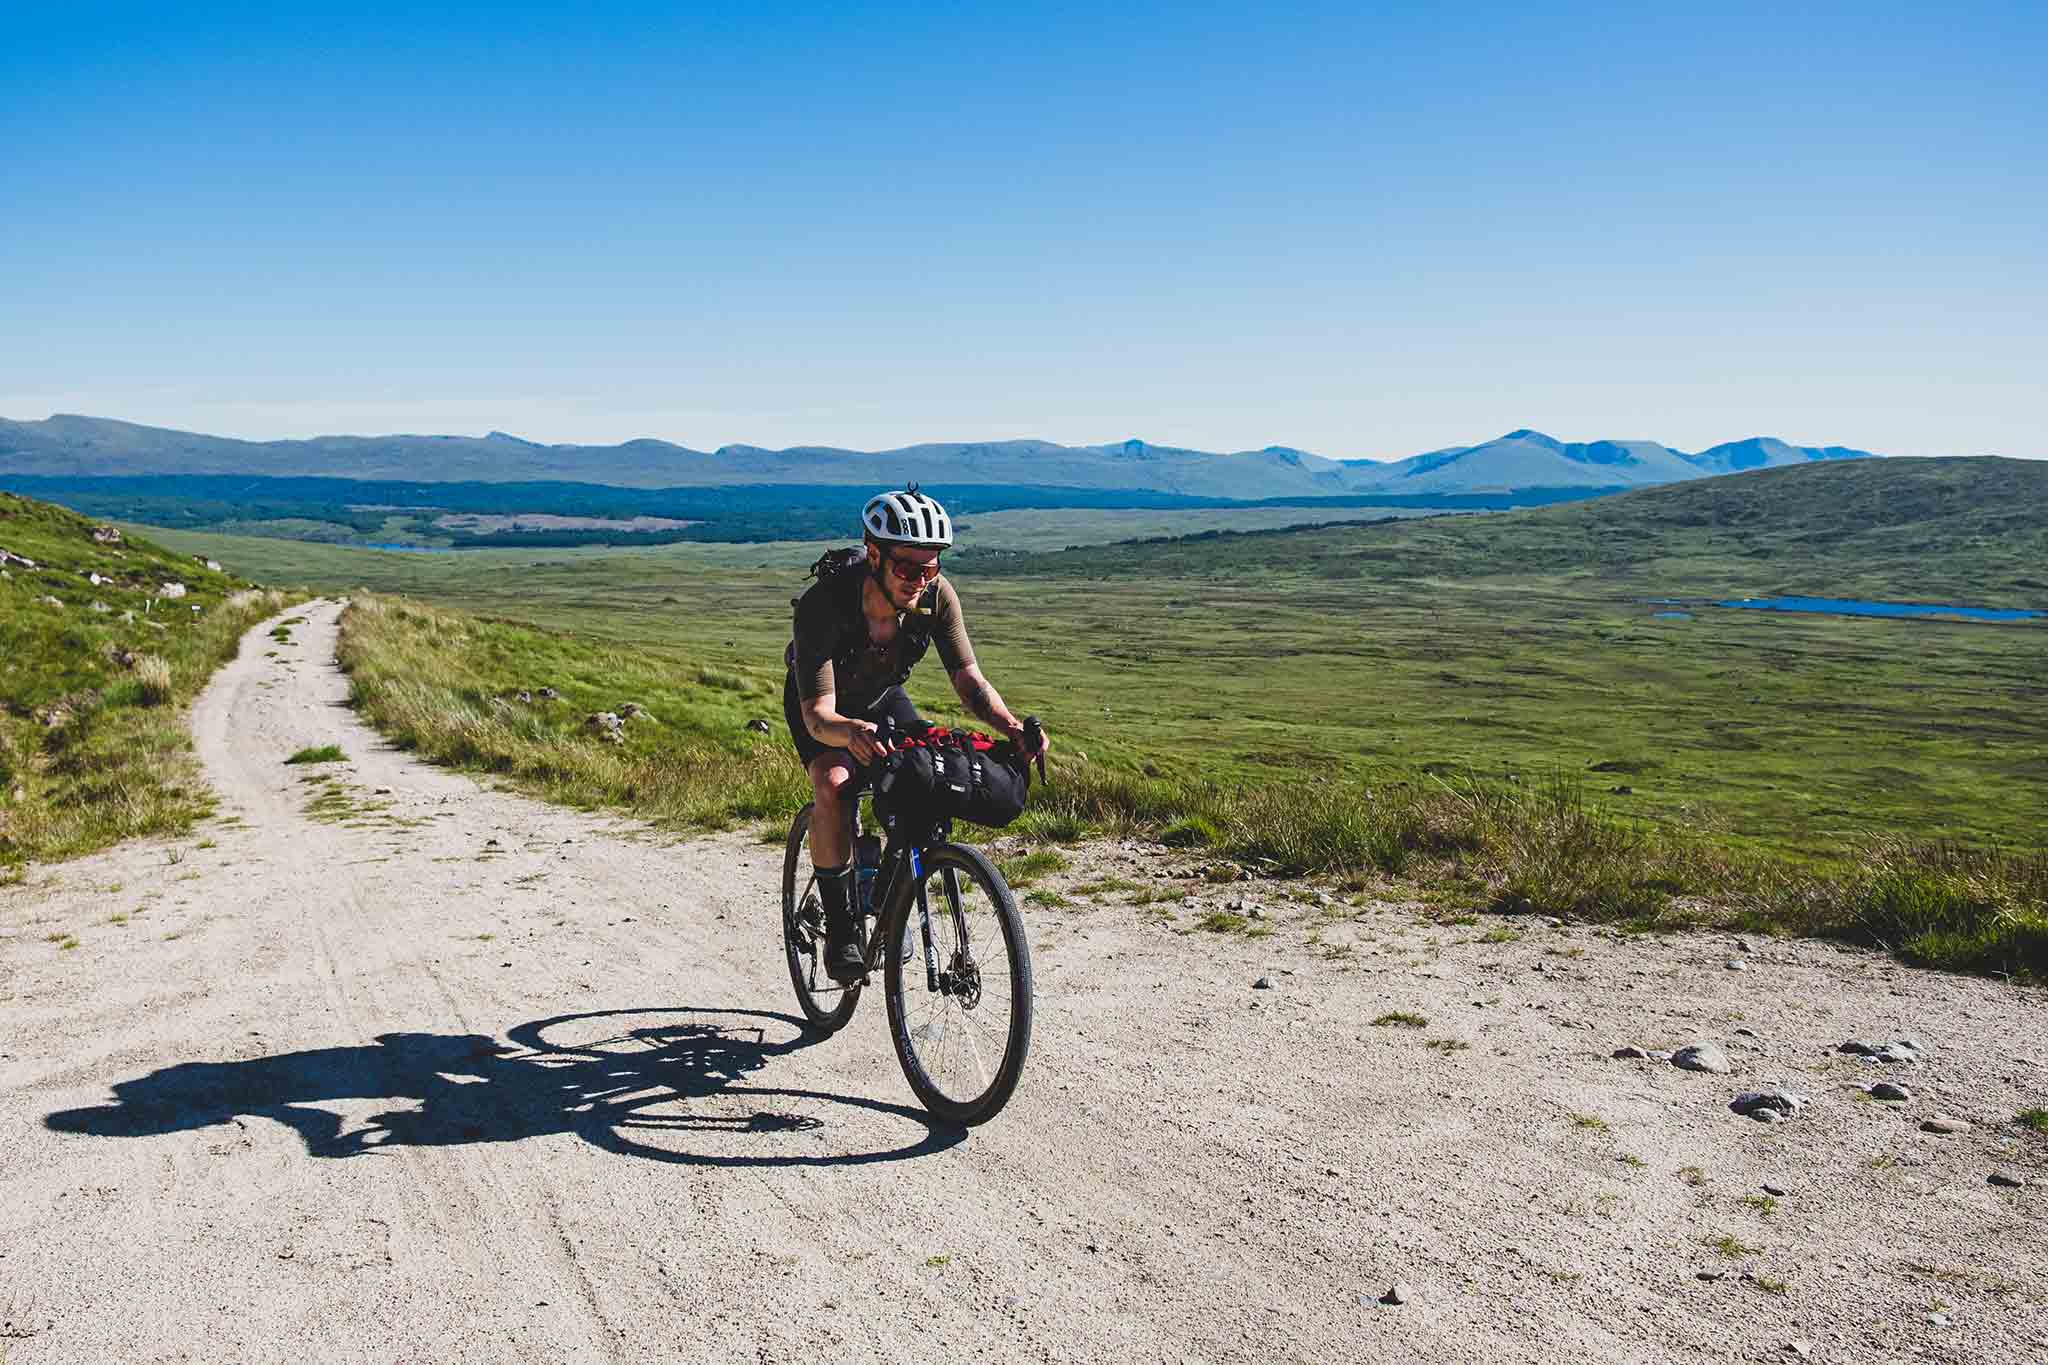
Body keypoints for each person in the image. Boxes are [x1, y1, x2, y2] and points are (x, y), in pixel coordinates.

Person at [784, 487, 1046, 982]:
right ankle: (842, 930)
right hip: (825, 705)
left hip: (883, 699)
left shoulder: (937, 597)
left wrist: (1011, 727)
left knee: (928, 774)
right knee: (836, 783)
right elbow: (819, 715)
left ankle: (889, 890)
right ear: (875, 554)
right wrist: (850, 731)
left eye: (931, 568)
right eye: (907, 569)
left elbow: (969, 679)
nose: (920, 581)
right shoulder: (826, 604)